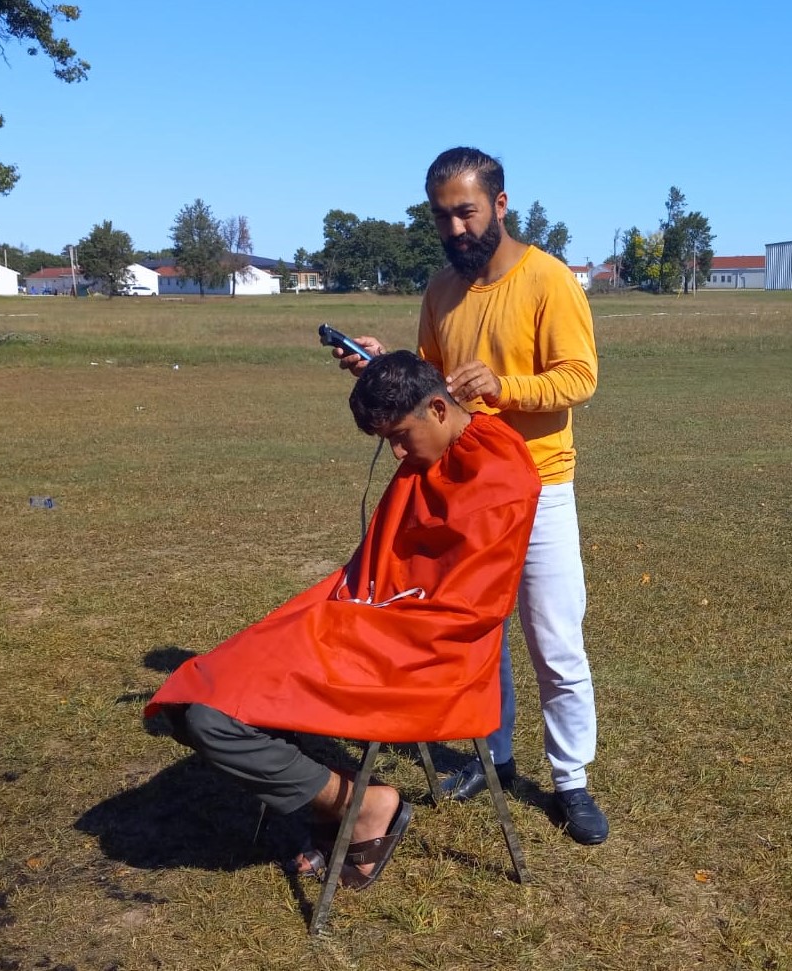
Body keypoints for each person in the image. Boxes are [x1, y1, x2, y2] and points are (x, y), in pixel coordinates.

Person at [146, 350, 541, 887]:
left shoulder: (497, 477)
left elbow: (463, 610)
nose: (398, 452)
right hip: (372, 616)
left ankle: (362, 806)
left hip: (423, 651)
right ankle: (343, 802)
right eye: (388, 441)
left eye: (402, 434)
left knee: (211, 716)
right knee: (198, 692)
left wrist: (357, 623)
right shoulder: (443, 443)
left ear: (440, 410)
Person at [337, 147, 607, 845]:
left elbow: (579, 378)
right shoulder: (440, 289)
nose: (456, 228)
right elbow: (431, 382)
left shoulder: (548, 280)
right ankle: (495, 757)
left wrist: (503, 388)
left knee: (555, 639)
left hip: (540, 485)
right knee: (478, 635)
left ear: (501, 204)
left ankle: (572, 781)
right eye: (442, 215)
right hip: (465, 490)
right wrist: (382, 358)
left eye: (467, 211)